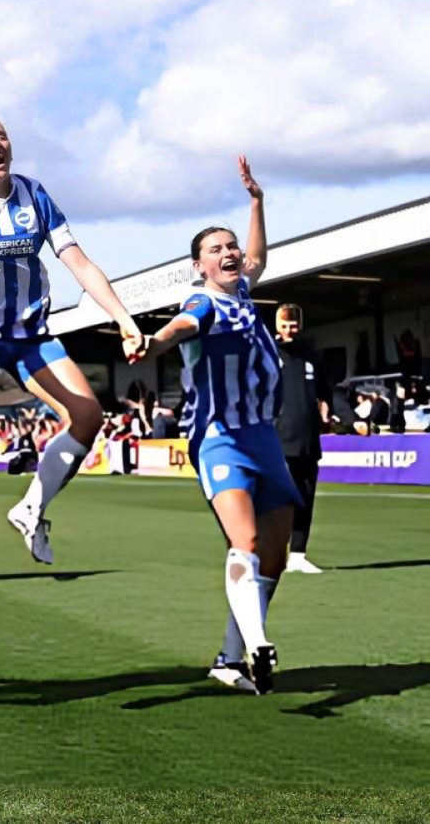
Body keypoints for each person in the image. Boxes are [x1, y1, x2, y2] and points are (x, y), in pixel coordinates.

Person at [0, 116, 144, 566]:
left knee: (89, 416)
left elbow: (79, 263)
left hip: (31, 334)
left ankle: (31, 508)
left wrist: (123, 318)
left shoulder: (35, 194)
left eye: (0, 136)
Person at [127, 158, 290, 695]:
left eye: (231, 247)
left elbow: (260, 255)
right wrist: (153, 342)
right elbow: (183, 325)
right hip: (219, 435)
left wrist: (257, 202)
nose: (230, 253)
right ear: (199, 266)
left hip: (263, 436)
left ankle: (229, 657)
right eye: (216, 249)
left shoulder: (243, 291)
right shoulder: (204, 301)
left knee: (276, 554)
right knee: (243, 540)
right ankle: (258, 644)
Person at [272, 303, 329, 574]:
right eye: (285, 325)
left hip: (308, 440)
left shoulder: (311, 355)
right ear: (277, 326)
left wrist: (343, 415)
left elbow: (327, 391)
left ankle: (298, 555)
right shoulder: (268, 354)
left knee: (305, 498)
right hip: (279, 439)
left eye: (293, 325)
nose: (289, 330)